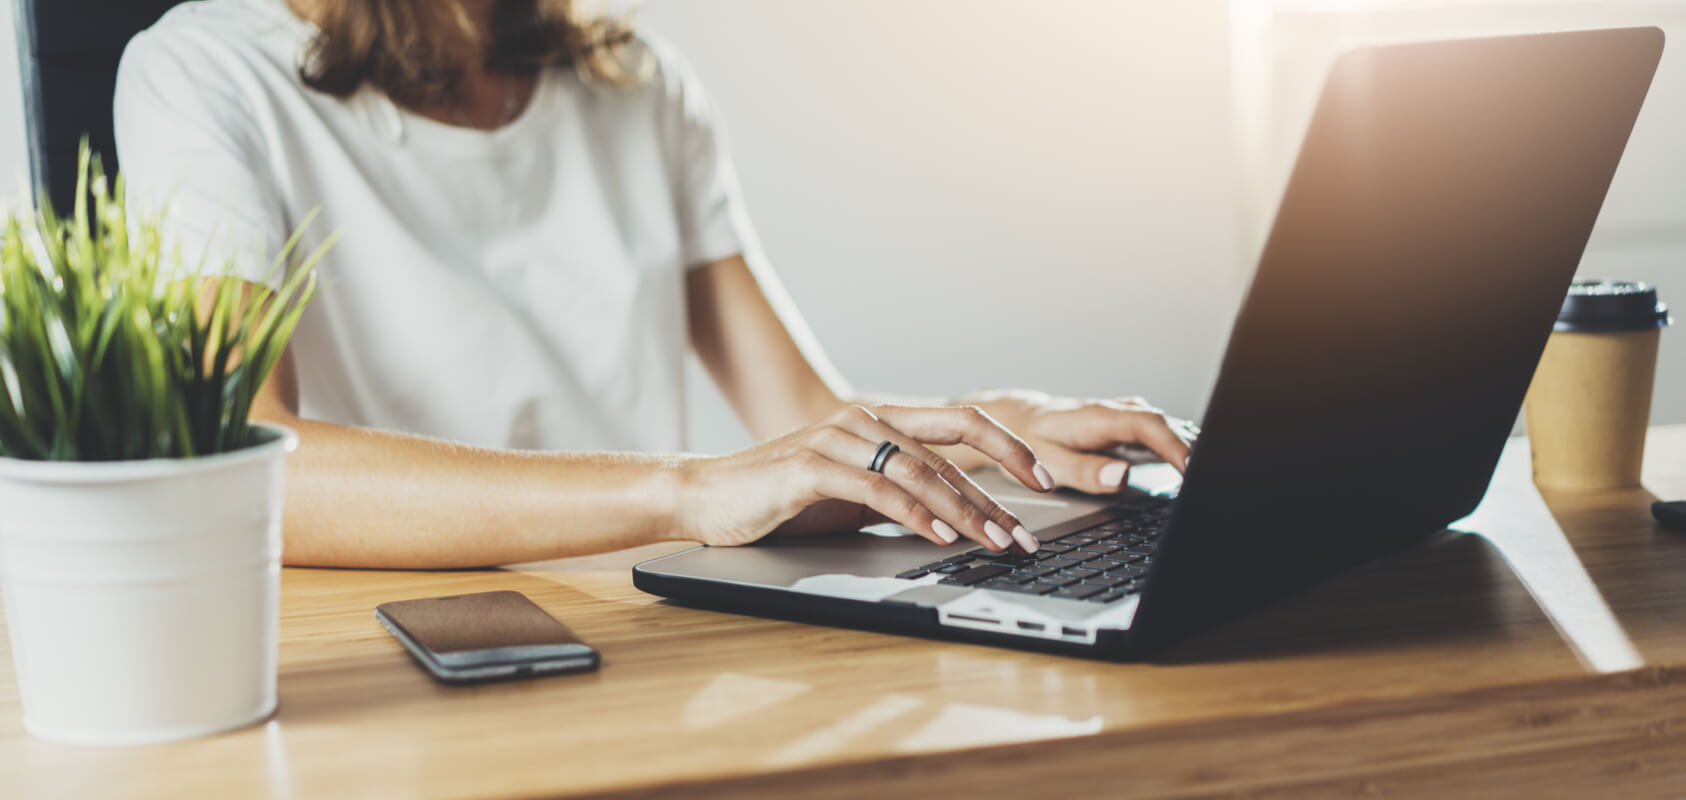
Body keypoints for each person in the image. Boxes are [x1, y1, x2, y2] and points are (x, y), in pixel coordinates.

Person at [114, 0, 1194, 569]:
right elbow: (241, 465)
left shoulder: (639, 87)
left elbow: (802, 433)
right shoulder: (203, 74)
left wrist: (994, 428)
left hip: (630, 619)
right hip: (397, 643)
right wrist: (684, 490)